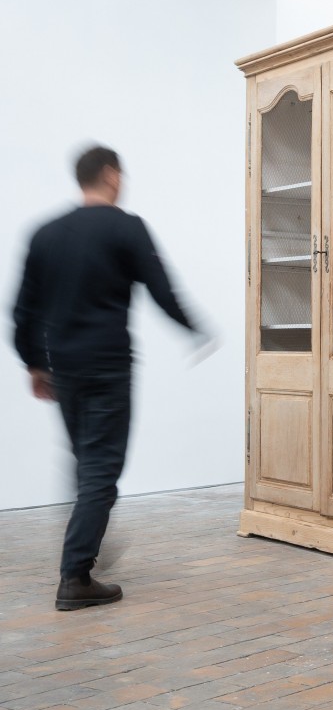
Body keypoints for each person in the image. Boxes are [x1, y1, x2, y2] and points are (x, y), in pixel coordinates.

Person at [12, 146, 201, 610]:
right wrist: (193, 327)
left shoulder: (46, 234)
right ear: (111, 175)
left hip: (64, 369)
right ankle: (75, 575)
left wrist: (34, 363)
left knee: (86, 462)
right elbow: (161, 290)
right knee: (100, 471)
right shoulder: (126, 227)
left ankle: (88, 541)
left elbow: (23, 310)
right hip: (108, 367)